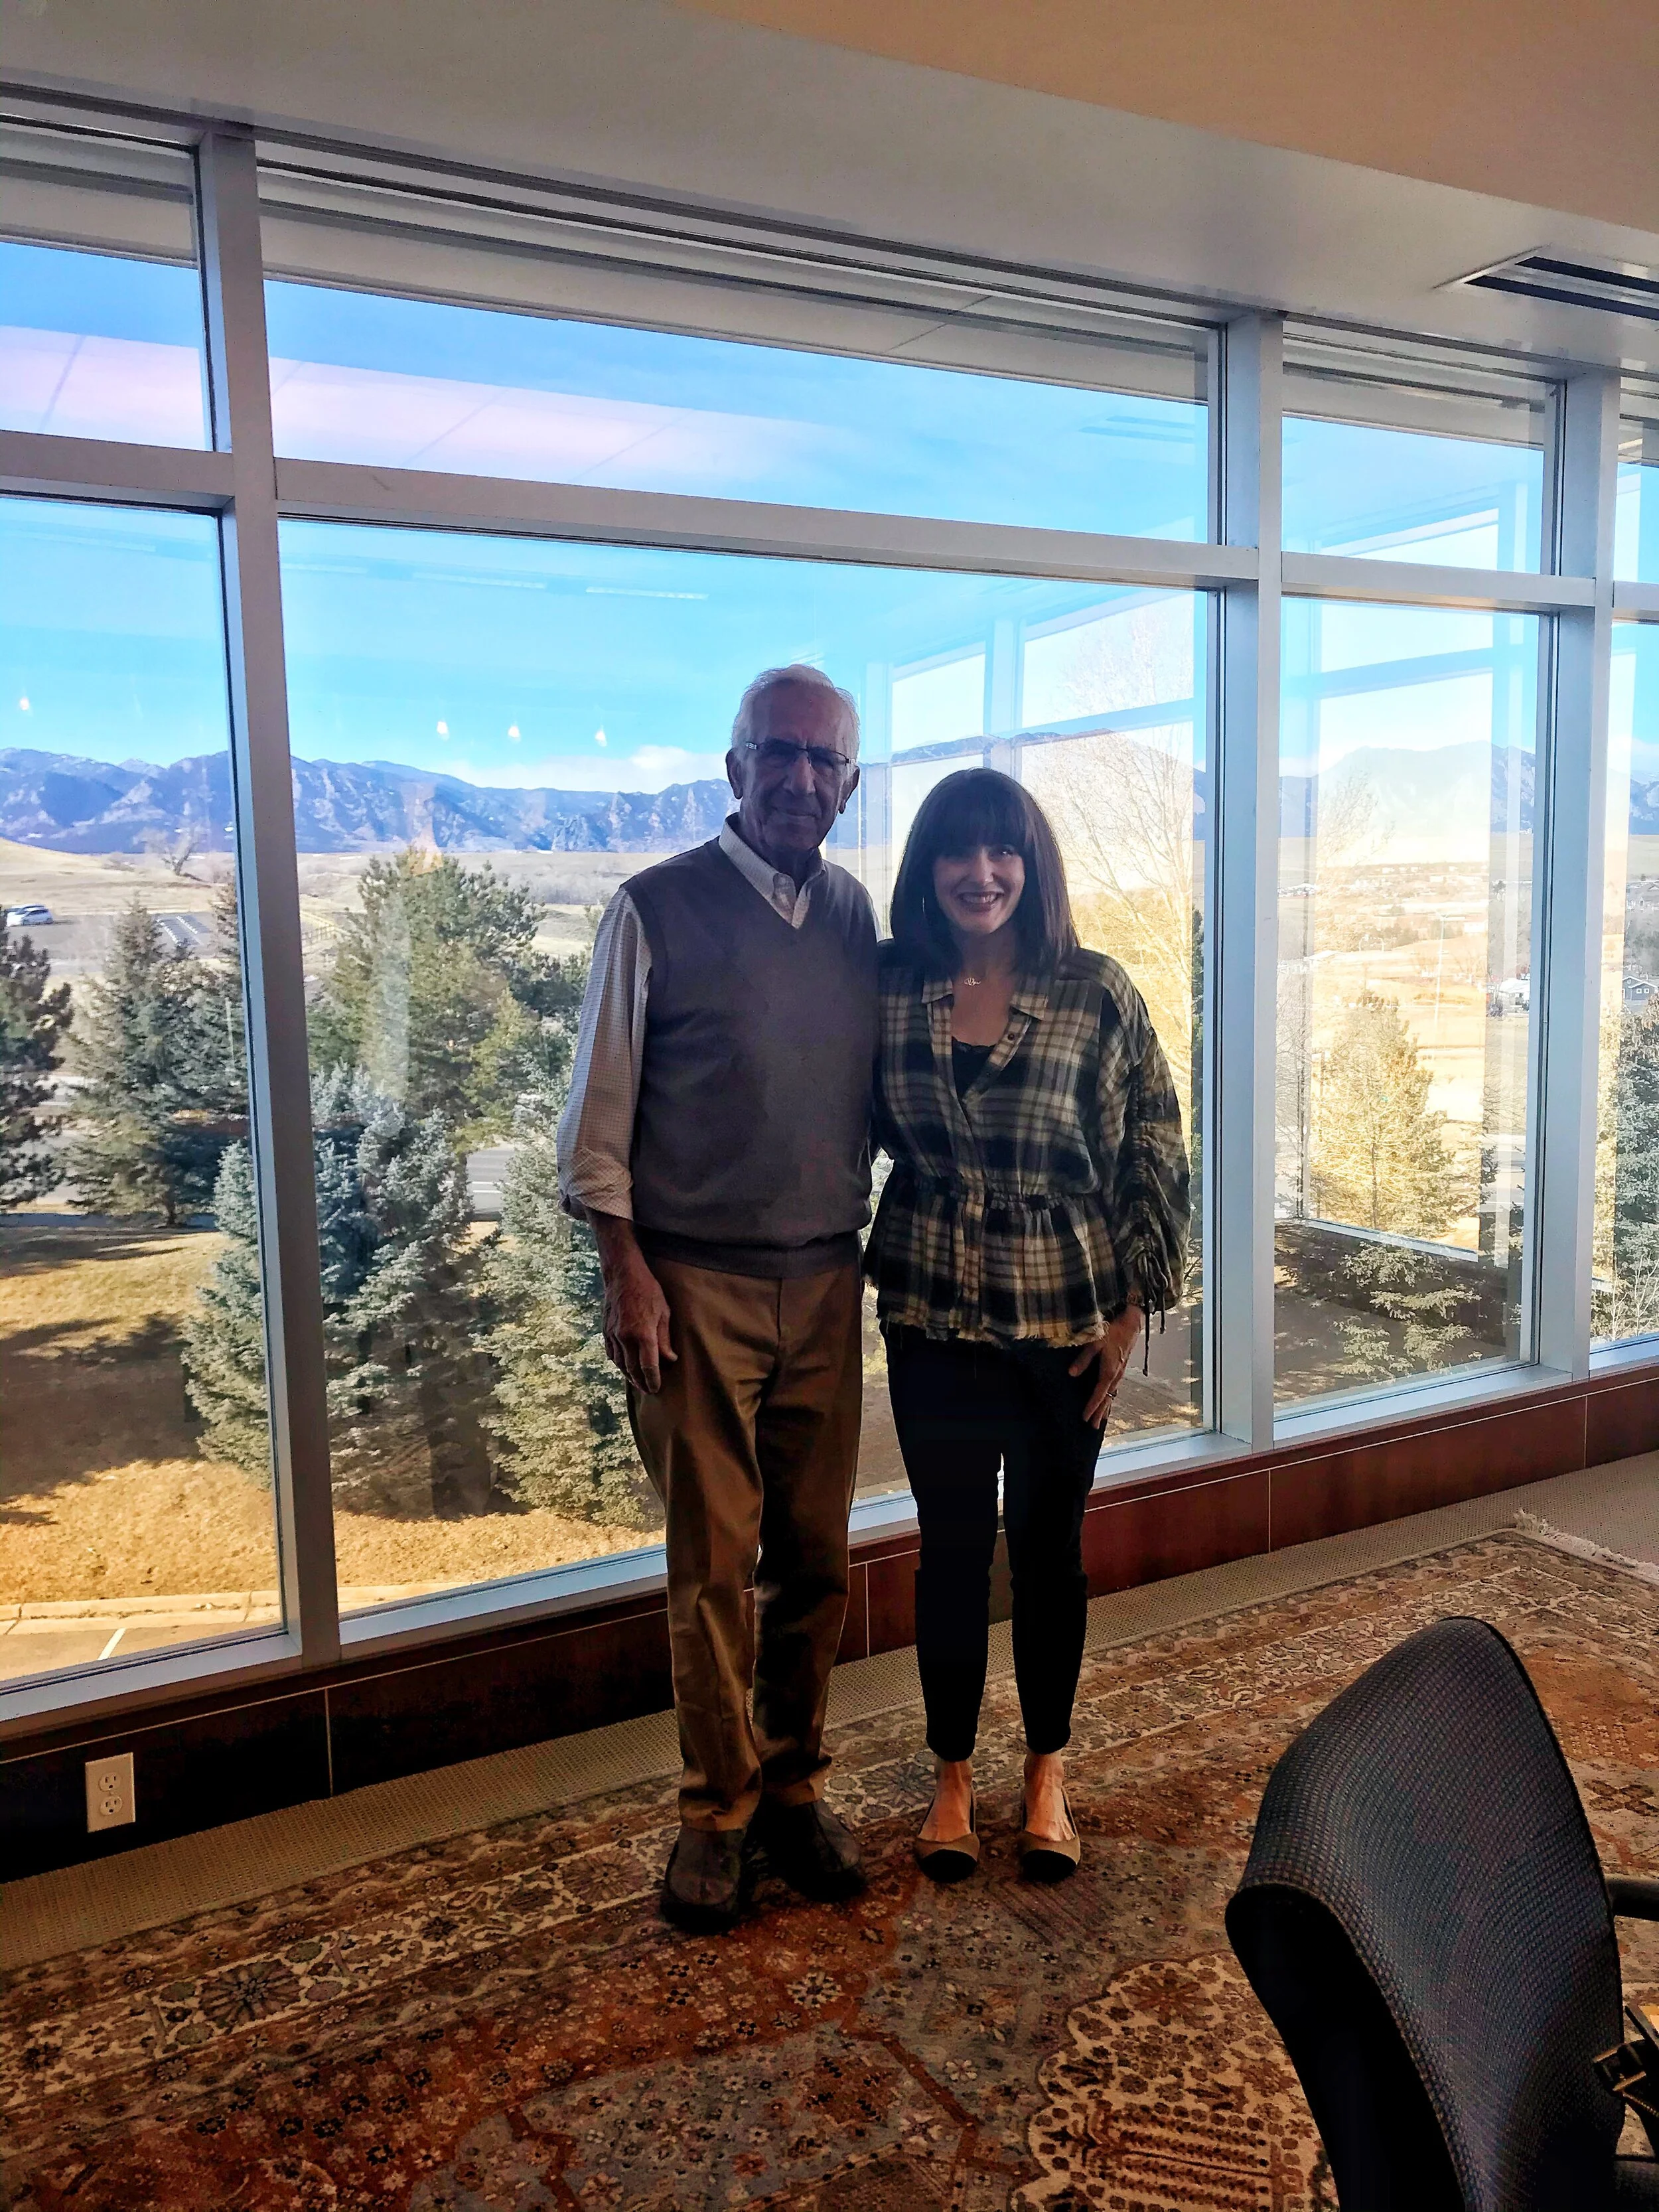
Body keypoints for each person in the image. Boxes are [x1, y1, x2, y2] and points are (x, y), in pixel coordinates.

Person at [557, 664, 878, 1933]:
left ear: (849, 785)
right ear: (733, 767)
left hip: (829, 1278)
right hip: (692, 1286)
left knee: (817, 1561)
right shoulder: (654, 908)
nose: (800, 777)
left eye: (824, 760)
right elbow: (598, 1118)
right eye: (778, 752)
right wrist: (623, 1271)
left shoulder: (855, 916)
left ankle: (794, 1788)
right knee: (711, 1566)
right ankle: (716, 1812)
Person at [866, 768, 1189, 1884]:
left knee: (1049, 1553)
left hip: (1064, 1325)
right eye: (958, 851)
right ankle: (953, 1777)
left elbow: (1154, 1152)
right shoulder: (891, 987)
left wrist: (1131, 1315)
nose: (981, 872)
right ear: (928, 870)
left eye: (1002, 850)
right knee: (953, 1549)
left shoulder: (1097, 993)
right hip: (930, 1314)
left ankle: (1047, 1771)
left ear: (1032, 865)